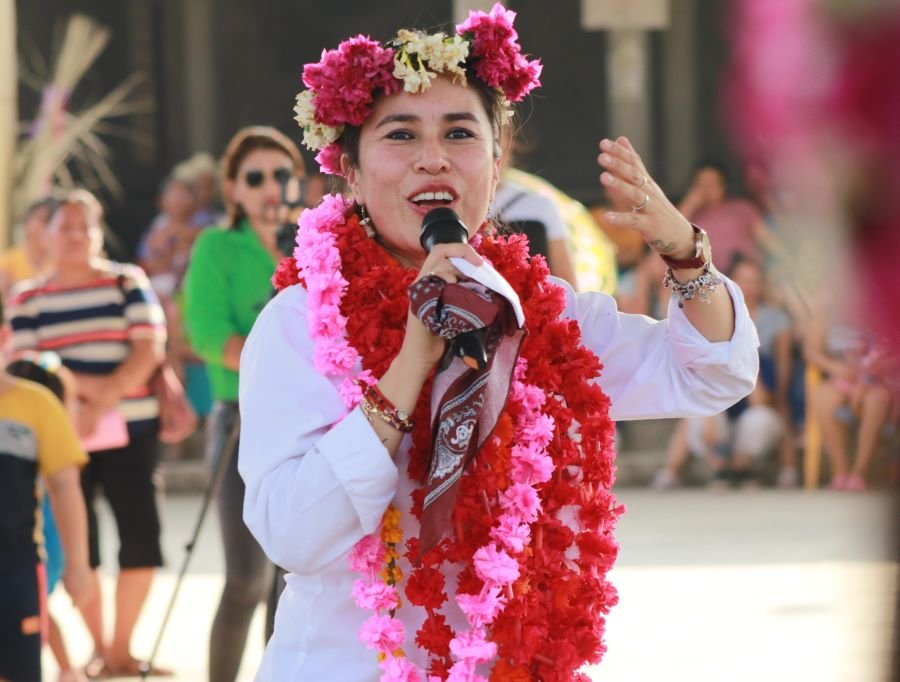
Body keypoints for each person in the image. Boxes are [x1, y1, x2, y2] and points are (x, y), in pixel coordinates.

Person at [240, 6, 758, 679]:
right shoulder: (298, 323)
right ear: (351, 170)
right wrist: (412, 362)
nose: (433, 158)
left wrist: (686, 254)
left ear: (496, 159)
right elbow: (292, 535)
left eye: (460, 133)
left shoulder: (540, 315)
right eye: (400, 134)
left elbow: (711, 373)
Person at [7, 189, 169, 678]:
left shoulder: (127, 280)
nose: (76, 235)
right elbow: (26, 368)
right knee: (83, 544)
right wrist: (85, 400)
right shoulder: (27, 297)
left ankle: (121, 649)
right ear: (47, 234)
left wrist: (97, 398)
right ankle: (99, 647)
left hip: (132, 432)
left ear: (99, 233)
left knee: (141, 536)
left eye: (86, 226)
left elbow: (149, 347)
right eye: (66, 226)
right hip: (61, 437)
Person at [182, 126, 305, 682]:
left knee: (293, 579)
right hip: (240, 419)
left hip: (310, 420)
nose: (270, 187)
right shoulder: (216, 246)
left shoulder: (317, 241)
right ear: (232, 188)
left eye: (281, 174)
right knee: (246, 579)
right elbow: (207, 333)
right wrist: (274, 359)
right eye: (254, 177)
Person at [0, 301, 94, 682]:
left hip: (16, 569)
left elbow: (65, 486)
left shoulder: (36, 404)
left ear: (4, 337)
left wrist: (78, 565)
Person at [653, 257, 794, 489]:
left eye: (754, 281)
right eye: (743, 280)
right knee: (699, 417)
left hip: (750, 404)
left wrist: (741, 359)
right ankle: (718, 469)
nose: (748, 287)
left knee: (760, 419)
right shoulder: (710, 315)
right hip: (715, 405)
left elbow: (763, 399)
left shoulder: (765, 343)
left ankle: (739, 468)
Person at [679, 160, 780, 269]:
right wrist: (690, 203)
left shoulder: (742, 207)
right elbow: (672, 235)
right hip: (710, 274)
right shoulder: (690, 216)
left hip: (746, 270)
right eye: (701, 184)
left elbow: (768, 241)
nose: (707, 188)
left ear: (723, 185)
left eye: (712, 183)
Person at [0, 197, 55, 296]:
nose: (46, 226)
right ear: (26, 224)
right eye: (42, 219)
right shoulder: (7, 264)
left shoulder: (61, 262)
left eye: (51, 221)